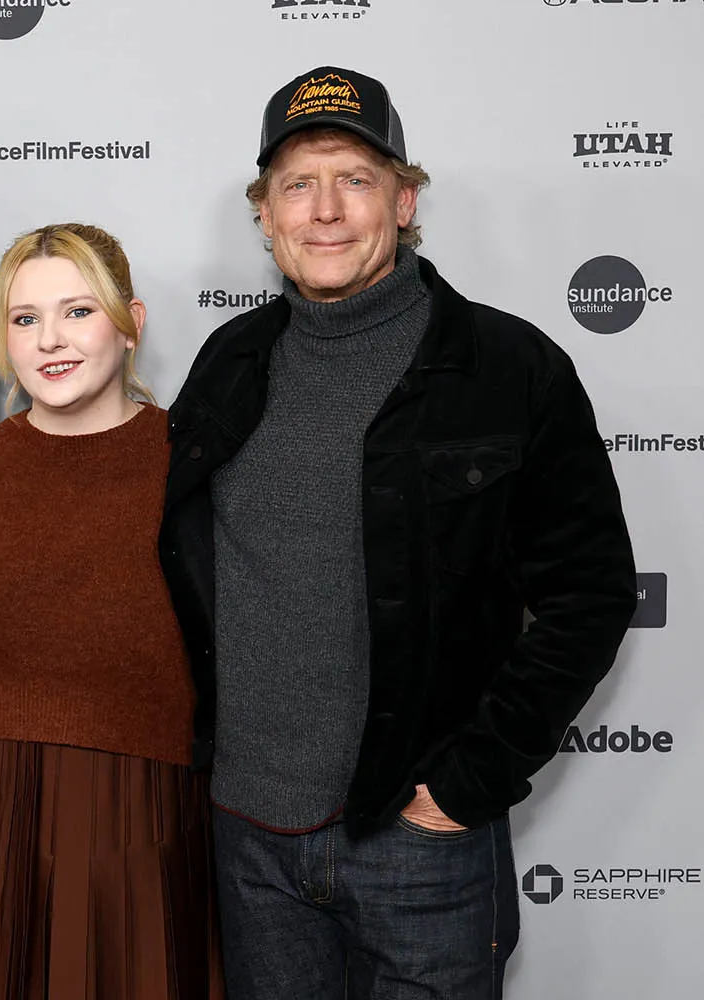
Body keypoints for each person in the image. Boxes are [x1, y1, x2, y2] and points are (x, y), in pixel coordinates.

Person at [160, 66, 637, 999]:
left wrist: (464, 787)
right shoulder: (229, 364)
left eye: (355, 178)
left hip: (419, 846)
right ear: (265, 215)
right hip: (249, 842)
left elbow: (592, 593)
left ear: (405, 198)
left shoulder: (510, 368)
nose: (325, 210)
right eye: (297, 184)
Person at [0, 223, 224, 1000]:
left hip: (139, 827)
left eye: (78, 312)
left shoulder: (190, 466)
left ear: (132, 324)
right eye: (24, 319)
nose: (49, 340)